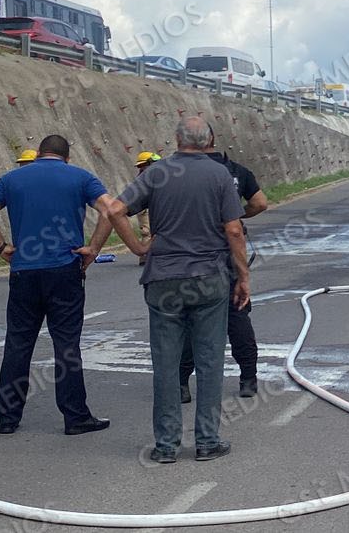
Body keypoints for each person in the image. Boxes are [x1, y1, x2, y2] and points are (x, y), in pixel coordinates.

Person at [85, 117, 248, 464]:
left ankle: (166, 445)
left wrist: (139, 248)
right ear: (208, 142)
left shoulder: (156, 173)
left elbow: (114, 209)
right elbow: (234, 231)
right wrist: (243, 277)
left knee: (166, 363)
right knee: (209, 361)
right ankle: (207, 440)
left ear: (176, 140)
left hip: (163, 279)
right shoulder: (219, 174)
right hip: (209, 277)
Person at [0, 135, 137, 436]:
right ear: (67, 157)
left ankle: (8, 418)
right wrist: (94, 248)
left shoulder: (12, 178)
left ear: (38, 155)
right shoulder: (81, 177)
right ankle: (75, 417)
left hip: (24, 269)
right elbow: (110, 209)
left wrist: (0, 248)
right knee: (66, 344)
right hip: (64, 269)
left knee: (18, 343)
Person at [179, 134, 268, 400]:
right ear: (214, 142)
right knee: (237, 317)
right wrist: (237, 213)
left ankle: (182, 383)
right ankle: (248, 379)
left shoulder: (185, 173)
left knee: (190, 321)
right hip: (227, 257)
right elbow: (261, 203)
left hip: (191, 256)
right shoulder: (237, 171)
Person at [132, 151, 160, 265]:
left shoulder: (147, 176)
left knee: (151, 231)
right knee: (146, 231)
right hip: (144, 208)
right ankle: (145, 256)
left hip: (149, 206)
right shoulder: (145, 177)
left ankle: (148, 255)